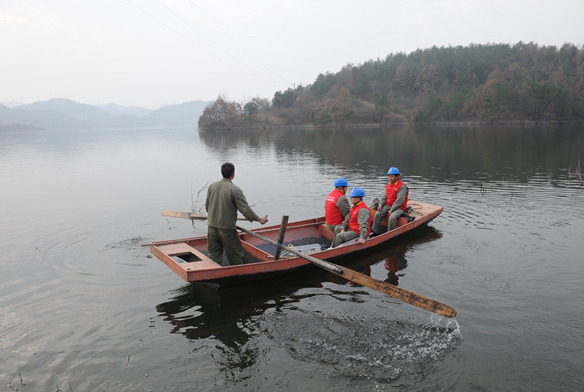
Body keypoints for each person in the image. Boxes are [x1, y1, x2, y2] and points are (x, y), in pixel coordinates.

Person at [205, 162, 268, 265]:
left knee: (213, 256)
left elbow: (207, 207)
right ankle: (238, 275)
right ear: (233, 174)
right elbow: (245, 210)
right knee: (235, 254)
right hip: (227, 229)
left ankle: (211, 275)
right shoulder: (235, 189)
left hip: (211, 227)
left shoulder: (212, 186)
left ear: (222, 173)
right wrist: (259, 219)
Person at [371, 166, 409, 235]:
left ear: (397, 176)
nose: (390, 178)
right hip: (388, 206)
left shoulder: (402, 186)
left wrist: (392, 210)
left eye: (392, 176)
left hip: (399, 208)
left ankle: (389, 234)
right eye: (389, 176)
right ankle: (375, 232)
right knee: (378, 214)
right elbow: (384, 197)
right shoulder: (388, 185)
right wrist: (380, 205)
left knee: (392, 218)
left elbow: (399, 200)